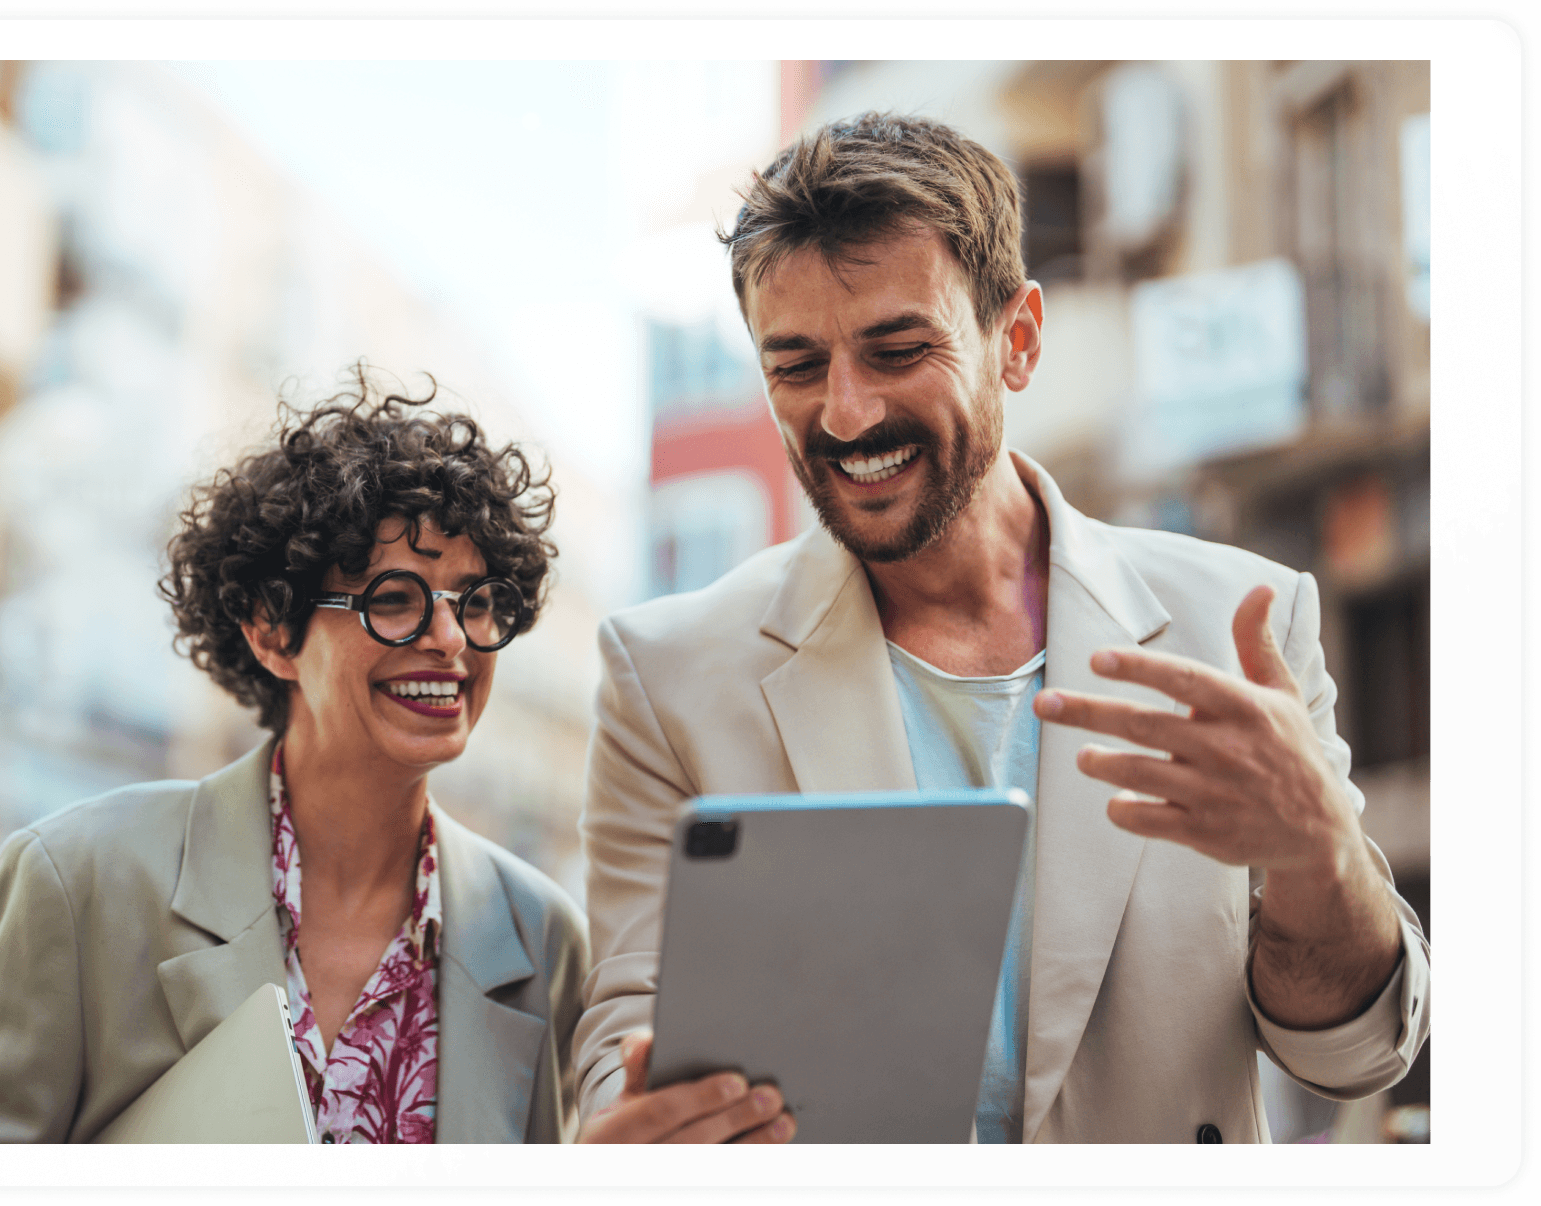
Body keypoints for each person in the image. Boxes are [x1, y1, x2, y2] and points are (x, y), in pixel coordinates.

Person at [574, 114, 1430, 1144]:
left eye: (896, 349)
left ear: (1014, 339)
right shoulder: (663, 676)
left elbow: (1350, 1056)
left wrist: (1317, 857)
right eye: (794, 366)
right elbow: (617, 1053)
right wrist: (643, 1129)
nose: (844, 414)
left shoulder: (1236, 623)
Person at [0, 372, 592, 1143]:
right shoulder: (79, 878)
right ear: (272, 632)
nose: (452, 641)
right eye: (394, 599)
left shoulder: (541, 938)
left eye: (478, 600)